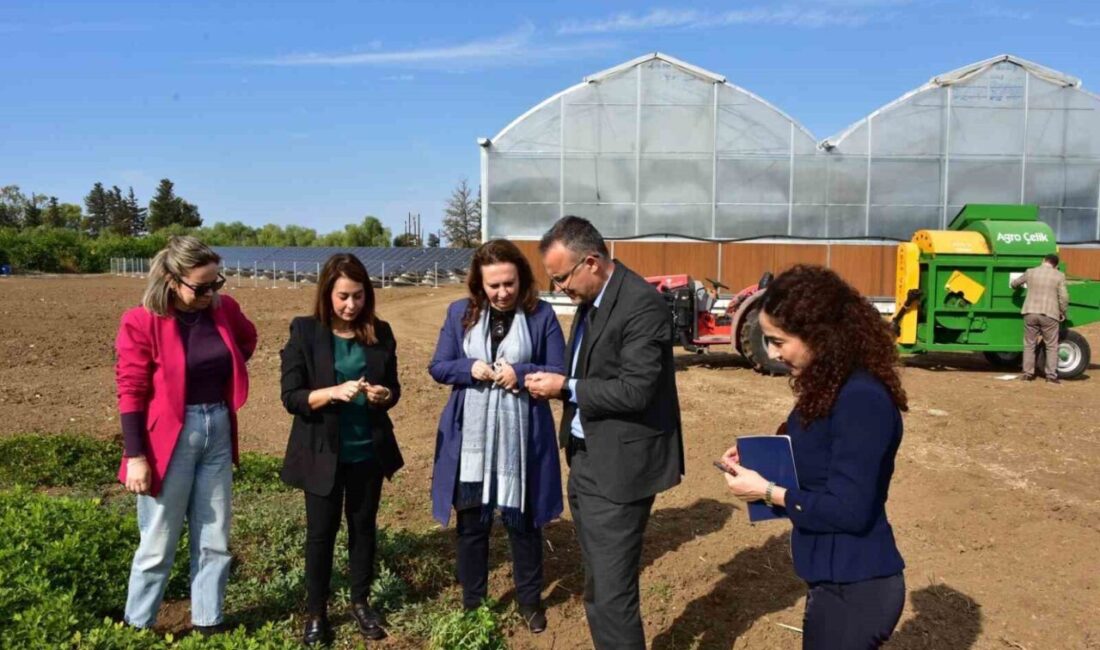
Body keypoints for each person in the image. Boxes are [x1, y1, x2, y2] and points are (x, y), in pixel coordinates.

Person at [720, 264, 907, 650]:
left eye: (778, 340)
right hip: (831, 578)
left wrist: (768, 491)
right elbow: (811, 445)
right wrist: (758, 455)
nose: (772, 351)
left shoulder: (862, 400)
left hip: (856, 587)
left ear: (820, 336)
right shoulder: (829, 385)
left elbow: (850, 509)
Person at [526, 216, 685, 650]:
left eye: (561, 277)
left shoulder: (640, 304)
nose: (558, 287)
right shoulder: (591, 301)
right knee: (599, 581)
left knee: (612, 593)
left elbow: (636, 390)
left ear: (591, 262)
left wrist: (566, 387)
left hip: (620, 469)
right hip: (587, 456)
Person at [116, 236, 257, 634]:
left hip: (217, 428)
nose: (211, 293)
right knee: (158, 538)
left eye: (217, 283)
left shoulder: (223, 309)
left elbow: (246, 339)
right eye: (201, 286)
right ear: (171, 278)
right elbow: (131, 390)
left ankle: (208, 622)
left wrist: (226, 369)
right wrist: (136, 456)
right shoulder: (142, 321)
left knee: (215, 534)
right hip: (168, 440)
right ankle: (137, 624)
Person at [428, 239, 565, 634]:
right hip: (472, 439)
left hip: (521, 438)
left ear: (521, 279)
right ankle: (474, 602)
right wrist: (468, 368)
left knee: (524, 524)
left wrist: (520, 374)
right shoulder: (460, 314)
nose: (503, 293)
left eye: (509, 283)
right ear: (479, 284)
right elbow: (438, 366)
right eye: (494, 286)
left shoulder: (541, 316)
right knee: (472, 526)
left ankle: (528, 601)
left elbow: (557, 368)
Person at [279, 254, 404, 645]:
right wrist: (331, 392)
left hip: (367, 451)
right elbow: (292, 396)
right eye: (343, 297)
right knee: (321, 534)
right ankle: (316, 611)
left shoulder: (379, 332)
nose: (352, 305)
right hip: (322, 453)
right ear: (327, 294)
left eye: (359, 296)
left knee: (363, 529)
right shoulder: (305, 332)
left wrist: (383, 395)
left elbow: (393, 389)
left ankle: (360, 602)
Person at [1010, 254, 1069, 384]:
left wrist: (1016, 289)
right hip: (1049, 314)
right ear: (1056, 265)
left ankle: (1027, 374)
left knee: (1029, 344)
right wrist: (1063, 311)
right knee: (1052, 346)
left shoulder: (1030, 272)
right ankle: (1051, 376)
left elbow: (1014, 283)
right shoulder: (1059, 275)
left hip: (1030, 312)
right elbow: (1064, 297)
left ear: (1043, 261)